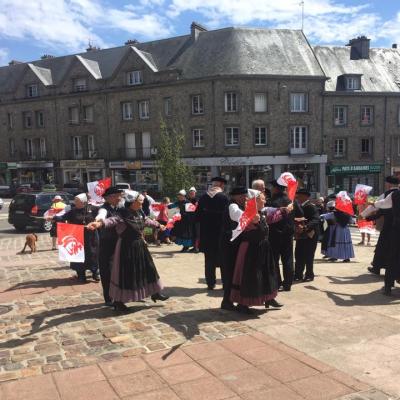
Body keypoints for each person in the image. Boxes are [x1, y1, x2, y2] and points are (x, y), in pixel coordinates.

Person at [88, 190, 169, 311]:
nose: (142, 204)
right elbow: (112, 221)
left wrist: (158, 225)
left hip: (140, 246)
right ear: (132, 202)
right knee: (126, 274)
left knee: (149, 269)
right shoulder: (122, 214)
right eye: (140, 202)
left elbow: (146, 220)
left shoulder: (139, 212)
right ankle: (118, 302)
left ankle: (155, 293)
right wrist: (98, 224)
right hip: (126, 247)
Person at [230, 190, 286, 314]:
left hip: (263, 247)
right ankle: (242, 304)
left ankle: (269, 298)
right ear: (255, 201)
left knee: (267, 273)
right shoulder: (248, 214)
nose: (265, 201)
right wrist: (251, 217)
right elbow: (237, 215)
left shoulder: (261, 213)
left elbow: (272, 217)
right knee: (250, 276)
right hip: (251, 249)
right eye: (262, 199)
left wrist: (284, 210)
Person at [54, 193, 99, 283]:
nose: (75, 202)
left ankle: (95, 273)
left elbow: (100, 217)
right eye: (75, 201)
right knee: (79, 256)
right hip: (77, 238)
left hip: (91, 237)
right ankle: (81, 275)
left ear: (83, 202)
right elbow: (62, 218)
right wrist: (53, 218)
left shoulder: (93, 209)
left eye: (77, 201)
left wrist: (97, 222)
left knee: (92, 254)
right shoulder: (73, 211)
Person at [197, 177, 229, 290]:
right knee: (224, 259)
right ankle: (225, 283)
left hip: (206, 234)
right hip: (221, 233)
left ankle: (210, 283)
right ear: (221, 185)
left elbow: (197, 216)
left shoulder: (203, 197)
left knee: (209, 260)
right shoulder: (224, 198)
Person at [267, 180, 300, 291]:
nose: (271, 190)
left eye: (272, 188)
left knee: (274, 259)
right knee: (288, 259)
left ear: (276, 189)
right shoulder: (291, 201)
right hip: (288, 234)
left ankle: (277, 282)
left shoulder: (272, 201)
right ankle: (288, 283)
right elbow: (300, 214)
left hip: (274, 234)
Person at [95, 186, 124, 306]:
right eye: (118, 196)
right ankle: (109, 298)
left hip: (119, 243)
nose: (120, 198)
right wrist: (99, 221)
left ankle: (121, 295)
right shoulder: (104, 208)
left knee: (120, 271)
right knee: (107, 271)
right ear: (110, 197)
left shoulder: (119, 207)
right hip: (107, 245)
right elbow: (101, 215)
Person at [367, 176, 399, 276]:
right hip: (397, 226)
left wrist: (364, 216)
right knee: (394, 249)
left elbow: (377, 207)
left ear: (389, 184)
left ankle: (377, 267)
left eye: (386, 183)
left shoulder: (386, 195)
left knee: (382, 247)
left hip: (388, 225)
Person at [374, 187, 400, 295]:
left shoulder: (395, 194)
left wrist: (373, 204)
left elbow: (383, 204)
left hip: (397, 229)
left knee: (393, 256)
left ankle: (388, 286)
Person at [294, 189, 321, 282]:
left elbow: (316, 219)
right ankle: (298, 274)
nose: (297, 198)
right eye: (297, 196)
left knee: (308, 255)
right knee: (298, 254)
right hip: (301, 234)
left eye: (299, 196)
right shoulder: (298, 206)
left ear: (306, 196)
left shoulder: (311, 206)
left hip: (310, 234)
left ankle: (309, 274)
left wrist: (306, 227)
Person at [187, 187, 200, 253]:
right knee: (193, 234)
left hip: (197, 219)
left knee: (197, 234)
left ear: (195, 193)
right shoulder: (188, 200)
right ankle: (194, 247)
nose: (191, 193)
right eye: (190, 192)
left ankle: (197, 247)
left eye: (192, 192)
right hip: (190, 219)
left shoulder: (197, 200)